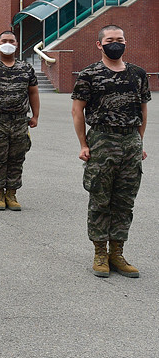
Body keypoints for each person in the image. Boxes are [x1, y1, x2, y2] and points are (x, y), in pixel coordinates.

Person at [71, 25, 149, 278]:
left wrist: (139, 142)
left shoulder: (138, 74)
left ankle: (117, 253)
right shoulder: (89, 74)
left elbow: (143, 110)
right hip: (102, 140)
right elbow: (77, 111)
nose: (116, 43)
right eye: (110, 40)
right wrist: (84, 144)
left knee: (125, 201)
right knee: (100, 199)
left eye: (120, 39)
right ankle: (100, 253)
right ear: (99, 44)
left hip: (130, 143)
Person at [0, 30, 39, 211]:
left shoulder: (26, 68)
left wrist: (35, 116)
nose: (8, 43)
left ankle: (11, 193)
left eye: (11, 40)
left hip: (19, 121)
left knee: (17, 158)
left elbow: (33, 92)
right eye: (4, 40)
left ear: (17, 45)